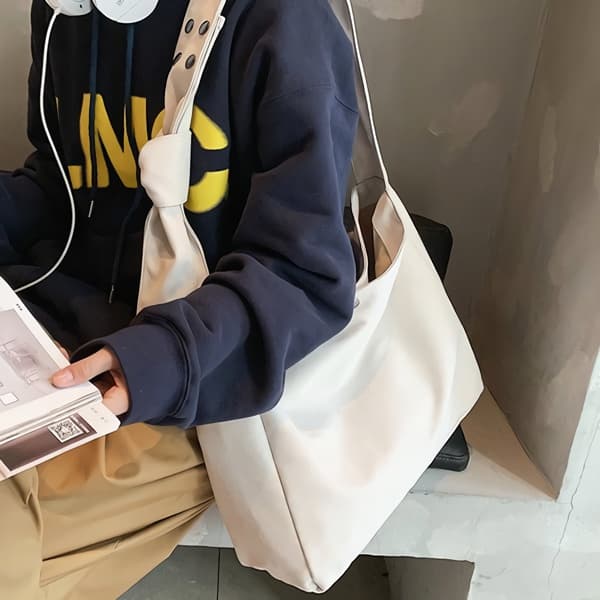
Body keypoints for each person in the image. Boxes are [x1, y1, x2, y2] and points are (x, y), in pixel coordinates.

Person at [0, 0, 358, 598]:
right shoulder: (67, 9)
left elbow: (305, 273)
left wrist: (159, 358)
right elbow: (62, 183)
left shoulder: (283, 23)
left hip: (191, 376)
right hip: (50, 334)